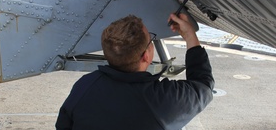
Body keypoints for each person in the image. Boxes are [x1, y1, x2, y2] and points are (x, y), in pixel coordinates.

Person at [56, 13, 214, 130]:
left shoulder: (84, 86)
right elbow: (203, 86)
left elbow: (63, 125)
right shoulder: (162, 100)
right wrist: (189, 35)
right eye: (150, 40)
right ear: (146, 56)